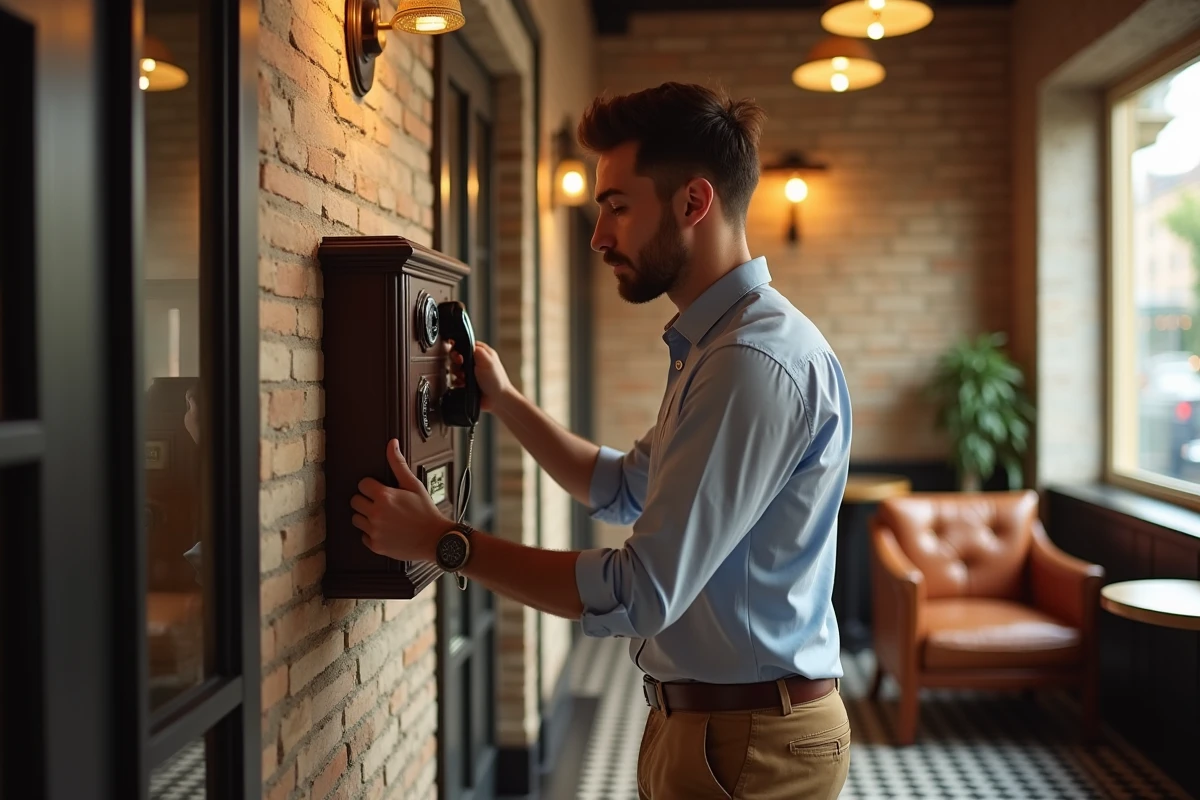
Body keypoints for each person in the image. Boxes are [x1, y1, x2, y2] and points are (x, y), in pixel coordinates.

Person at [350, 81, 853, 800]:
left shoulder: (749, 363)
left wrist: (444, 542)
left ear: (693, 203)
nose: (598, 236)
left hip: (751, 742)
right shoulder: (718, 348)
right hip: (716, 727)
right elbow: (618, 487)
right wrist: (506, 400)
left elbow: (640, 591)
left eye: (617, 206)